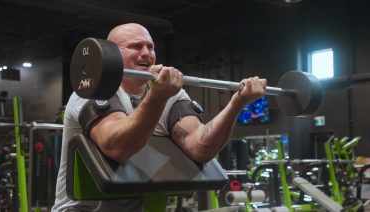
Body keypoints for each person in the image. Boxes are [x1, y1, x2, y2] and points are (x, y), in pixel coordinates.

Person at [52, 23, 266, 211]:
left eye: (151, 47)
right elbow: (117, 147)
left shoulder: (170, 94)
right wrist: (157, 96)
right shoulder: (92, 89)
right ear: (112, 54)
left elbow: (200, 147)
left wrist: (237, 103)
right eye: (136, 46)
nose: (146, 53)